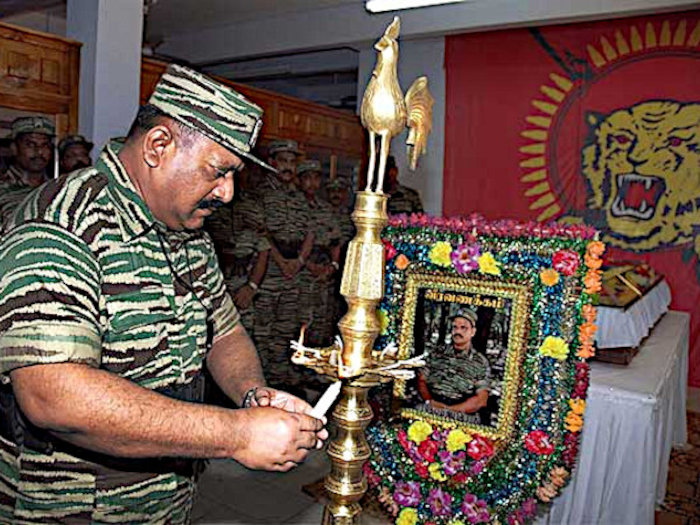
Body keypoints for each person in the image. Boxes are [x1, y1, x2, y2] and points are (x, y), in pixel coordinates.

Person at [0, 64, 326, 523]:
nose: (228, 193)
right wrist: (234, 434)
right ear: (158, 145)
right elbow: (53, 396)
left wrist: (254, 395)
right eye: (218, 171)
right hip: (72, 507)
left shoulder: (187, 230)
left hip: (166, 499)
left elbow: (224, 330)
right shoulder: (62, 222)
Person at [253, 139, 314, 391]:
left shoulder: (301, 198)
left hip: (294, 270)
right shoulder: (262, 195)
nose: (288, 167)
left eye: (292, 161)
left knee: (286, 330)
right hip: (270, 269)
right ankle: (258, 386)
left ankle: (278, 386)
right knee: (263, 331)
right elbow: (261, 232)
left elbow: (310, 233)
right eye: (283, 161)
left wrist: (298, 261)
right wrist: (282, 262)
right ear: (272, 163)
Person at [417, 308, 491, 425]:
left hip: (462, 413)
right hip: (431, 406)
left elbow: (481, 399)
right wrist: (429, 401)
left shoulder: (480, 362)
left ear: (473, 332)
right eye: (455, 327)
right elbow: (421, 380)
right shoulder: (437, 353)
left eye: (463, 328)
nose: (458, 331)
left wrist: (449, 410)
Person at [298, 159, 341, 347]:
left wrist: (332, 265)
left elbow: (336, 241)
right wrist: (307, 265)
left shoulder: (326, 209)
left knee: (322, 322)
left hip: (324, 273)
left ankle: (314, 372)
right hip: (301, 273)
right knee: (300, 322)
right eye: (307, 178)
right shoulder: (293, 207)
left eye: (315, 178)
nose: (312, 183)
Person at [0, 116, 54, 231]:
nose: (39, 151)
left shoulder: (56, 189)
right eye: (30, 144)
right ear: (14, 148)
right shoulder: (3, 187)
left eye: (45, 145)